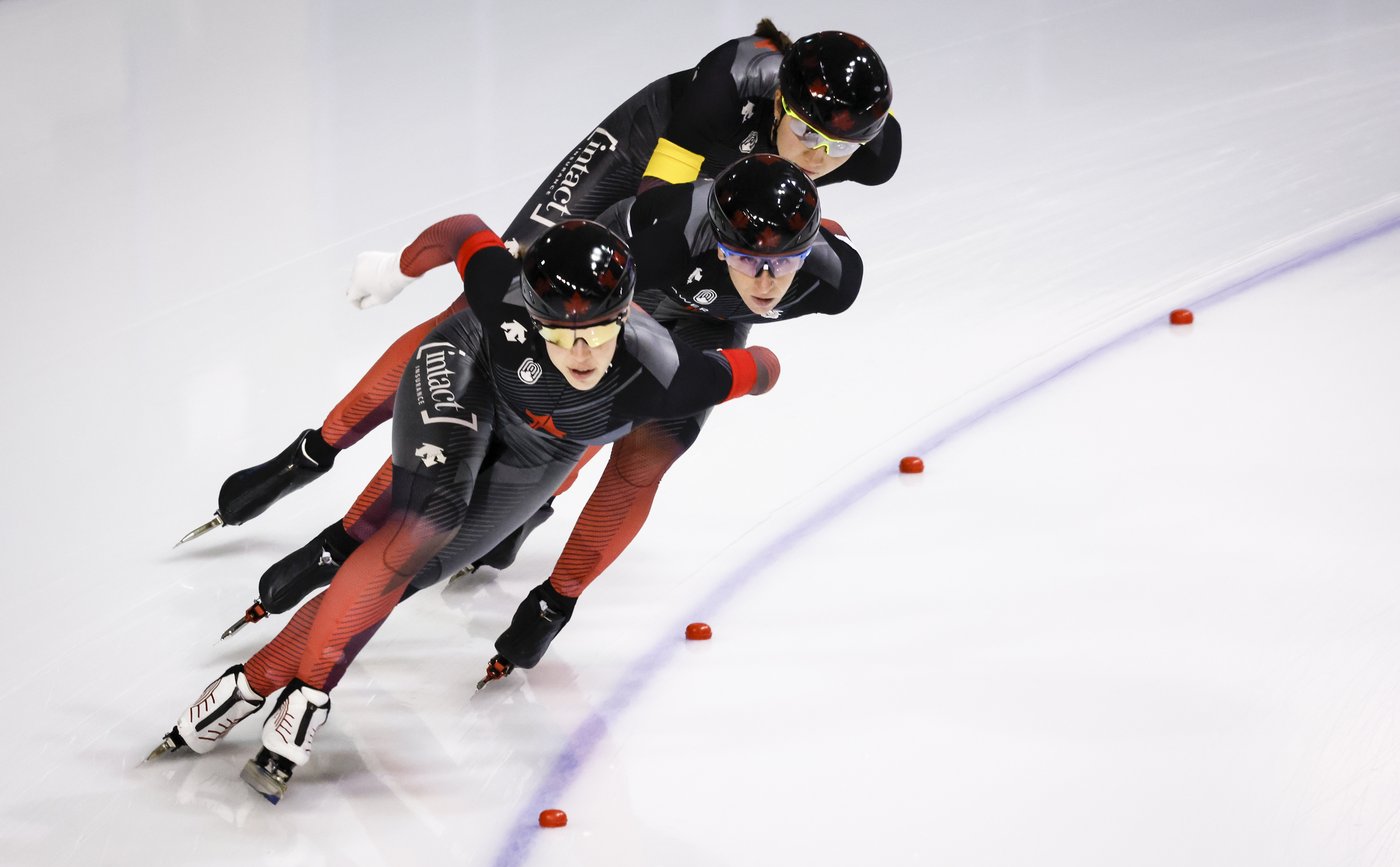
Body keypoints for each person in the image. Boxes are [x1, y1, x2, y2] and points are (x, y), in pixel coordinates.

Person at [177, 23, 896, 547]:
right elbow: (652, 213)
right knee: (500, 308)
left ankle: (531, 489)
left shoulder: (868, 151)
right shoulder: (727, 85)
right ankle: (312, 450)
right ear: (778, 104)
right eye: (806, 134)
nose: (820, 156)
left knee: (606, 362)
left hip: (724, 212)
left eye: (842, 148)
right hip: (641, 172)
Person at [149, 219, 782, 804]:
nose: (582, 353)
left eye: (598, 333)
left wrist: (762, 359)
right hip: (465, 367)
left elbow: (761, 368)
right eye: (561, 334)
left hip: (548, 444)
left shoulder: (669, 372)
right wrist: (398, 269)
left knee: (407, 575)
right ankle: (310, 698)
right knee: (426, 524)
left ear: (625, 321)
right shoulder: (499, 298)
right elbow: (465, 233)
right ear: (532, 318)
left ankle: (246, 687)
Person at [233, 155, 862, 688]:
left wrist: (754, 364)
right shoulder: (665, 232)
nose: (766, 279)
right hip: (613, 297)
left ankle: (550, 595)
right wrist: (403, 269)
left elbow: (744, 362)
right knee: (511, 374)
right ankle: (349, 531)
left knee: (642, 449)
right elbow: (497, 310)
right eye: (745, 257)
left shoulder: (831, 281)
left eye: (785, 263)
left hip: (693, 332)